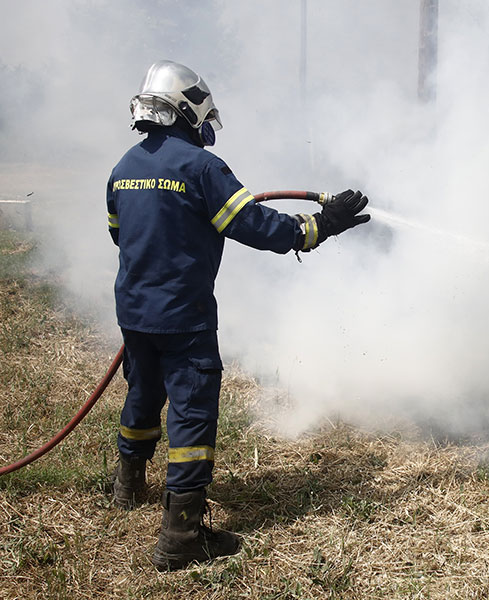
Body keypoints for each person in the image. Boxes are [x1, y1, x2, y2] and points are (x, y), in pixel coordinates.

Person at [106, 60, 370, 571]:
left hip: (135, 313)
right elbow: (256, 226)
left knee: (142, 394)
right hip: (184, 318)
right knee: (191, 414)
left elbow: (120, 233)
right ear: (186, 110)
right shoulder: (202, 169)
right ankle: (181, 535)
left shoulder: (123, 168)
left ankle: (127, 485)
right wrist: (323, 224)